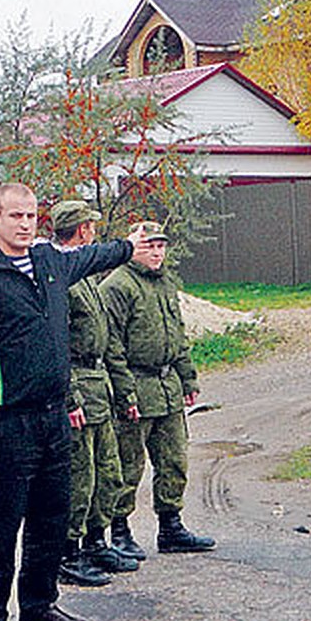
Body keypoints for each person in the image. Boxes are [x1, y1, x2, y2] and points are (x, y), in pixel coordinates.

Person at [0, 183, 145, 621]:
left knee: (51, 517)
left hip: (54, 416)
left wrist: (129, 247)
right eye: (15, 215)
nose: (24, 224)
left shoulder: (50, 262)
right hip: (5, 422)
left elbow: (93, 257)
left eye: (32, 216)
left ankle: (39, 604)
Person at [102, 221, 215, 557]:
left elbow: (177, 334)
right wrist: (125, 394)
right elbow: (112, 347)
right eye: (148, 245)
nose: (156, 252)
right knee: (127, 464)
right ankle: (119, 531)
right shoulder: (118, 286)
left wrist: (188, 377)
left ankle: (171, 526)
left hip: (167, 386)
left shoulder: (164, 282)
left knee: (174, 459)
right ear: (133, 247)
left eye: (160, 246)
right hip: (136, 384)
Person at [49, 200, 141, 587]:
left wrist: (121, 392)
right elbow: (57, 344)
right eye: (90, 225)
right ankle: (68, 553)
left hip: (99, 383)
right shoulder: (64, 276)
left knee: (108, 469)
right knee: (80, 474)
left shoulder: (85, 275)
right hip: (79, 386)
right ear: (81, 230)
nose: (93, 231)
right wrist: (70, 398)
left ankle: (95, 540)